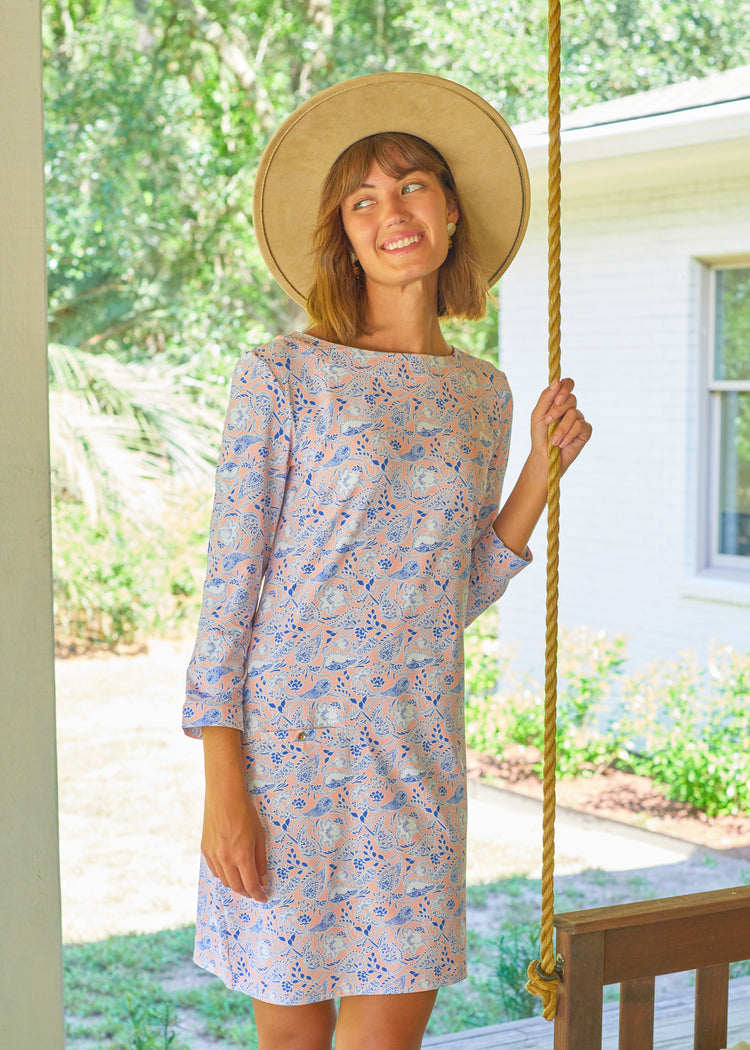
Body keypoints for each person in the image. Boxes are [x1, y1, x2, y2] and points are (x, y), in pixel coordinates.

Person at [182, 73, 591, 1050]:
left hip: (413, 750)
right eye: (362, 200)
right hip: (289, 756)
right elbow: (231, 589)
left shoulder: (484, 396)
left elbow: (447, 595)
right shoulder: (285, 374)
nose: (389, 212)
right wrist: (223, 786)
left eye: (410, 186)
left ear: (451, 214)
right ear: (344, 235)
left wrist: (538, 471)